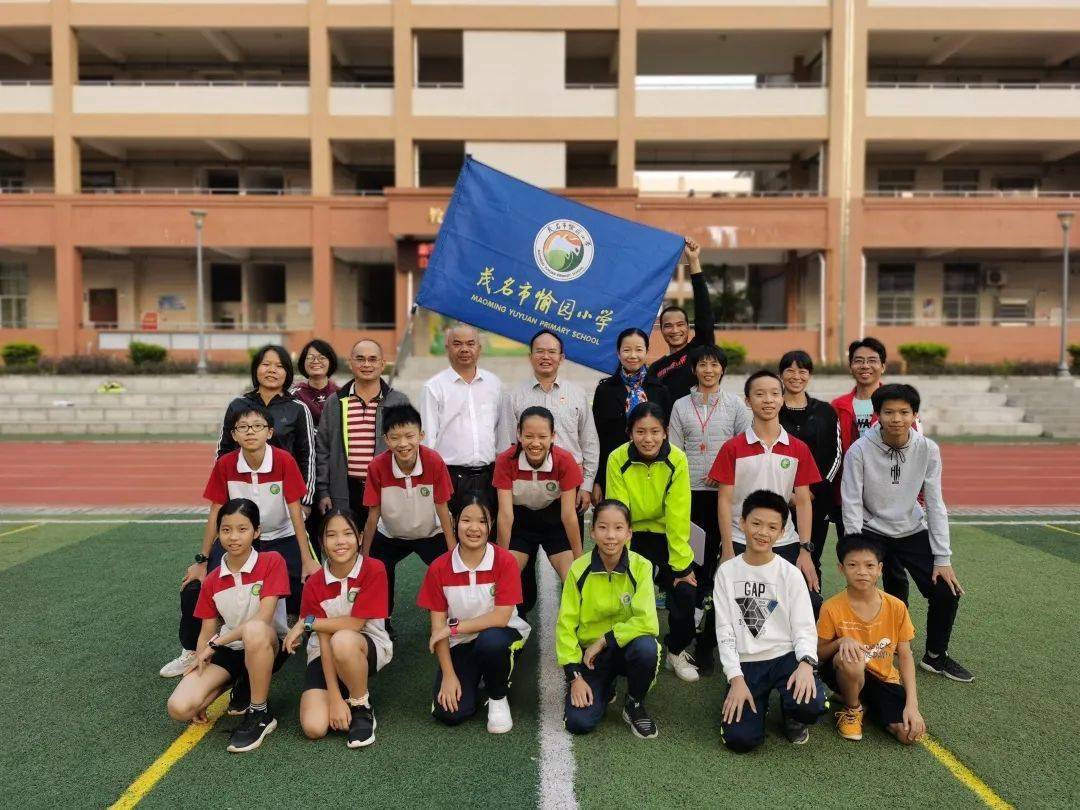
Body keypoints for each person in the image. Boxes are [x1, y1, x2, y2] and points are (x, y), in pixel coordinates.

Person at [160, 404, 317, 692]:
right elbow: (215, 512)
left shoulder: (283, 460)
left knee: (310, 587)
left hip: (280, 538)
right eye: (243, 427)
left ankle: (304, 643)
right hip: (236, 542)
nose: (250, 432)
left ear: (269, 432)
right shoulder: (226, 465)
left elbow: (295, 511)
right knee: (195, 587)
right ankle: (192, 651)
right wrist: (203, 559)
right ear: (233, 435)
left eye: (257, 426)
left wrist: (306, 558)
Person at [841, 383, 972, 683]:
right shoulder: (859, 450)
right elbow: (850, 502)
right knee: (869, 593)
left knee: (946, 591)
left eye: (904, 412)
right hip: (872, 530)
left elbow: (935, 503)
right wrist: (854, 551)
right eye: (888, 412)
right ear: (877, 415)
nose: (896, 419)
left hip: (912, 529)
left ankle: (935, 657)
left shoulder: (928, 448)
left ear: (915, 414)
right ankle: (875, 652)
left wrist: (943, 558)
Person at [166, 498, 290, 754]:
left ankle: (260, 713)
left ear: (257, 531)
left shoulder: (272, 561)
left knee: (254, 631)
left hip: (266, 644)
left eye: (242, 529)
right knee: (179, 708)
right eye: (226, 529)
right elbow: (206, 632)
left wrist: (215, 644)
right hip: (229, 650)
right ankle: (235, 681)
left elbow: (263, 618)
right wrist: (200, 659)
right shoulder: (212, 579)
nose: (233, 537)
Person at [714, 490, 827, 752]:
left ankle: (793, 714)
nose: (763, 532)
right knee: (740, 741)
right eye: (756, 523)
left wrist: (806, 664)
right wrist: (735, 678)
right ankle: (757, 704)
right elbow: (725, 630)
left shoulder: (790, 573)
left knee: (812, 705)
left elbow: (804, 626)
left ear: (782, 532)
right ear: (742, 524)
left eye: (772, 527)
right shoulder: (727, 573)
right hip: (747, 662)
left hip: (784, 657)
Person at [497, 328, 598, 616]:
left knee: (575, 577)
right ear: (530, 357)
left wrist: (587, 484)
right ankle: (513, 626)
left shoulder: (577, 394)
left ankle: (580, 630)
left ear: (561, 357)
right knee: (517, 584)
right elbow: (506, 443)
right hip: (522, 504)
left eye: (552, 351)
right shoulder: (514, 396)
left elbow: (589, 441)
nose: (545, 356)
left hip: (564, 497)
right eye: (539, 351)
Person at [668, 344, 751, 674]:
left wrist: (724, 475)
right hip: (689, 494)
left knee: (723, 552)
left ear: (722, 369)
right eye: (702, 364)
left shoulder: (734, 405)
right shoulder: (680, 406)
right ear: (694, 369)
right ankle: (697, 607)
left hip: (724, 493)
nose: (708, 369)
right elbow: (674, 449)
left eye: (714, 364)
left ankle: (717, 620)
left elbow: (744, 446)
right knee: (695, 553)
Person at [417, 498, 531, 733]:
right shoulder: (439, 568)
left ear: (490, 526)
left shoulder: (504, 561)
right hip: (461, 643)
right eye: (466, 520)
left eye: (482, 521)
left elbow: (500, 618)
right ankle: (476, 677)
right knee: (450, 713)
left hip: (501, 635)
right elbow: (438, 629)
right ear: (455, 523)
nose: (474, 528)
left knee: (491, 642)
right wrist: (449, 675)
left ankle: (497, 696)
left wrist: (454, 628)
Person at [283, 509, 393, 748]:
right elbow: (323, 637)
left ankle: (361, 704)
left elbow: (355, 624)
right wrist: (333, 697)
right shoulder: (314, 582)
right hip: (325, 654)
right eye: (332, 535)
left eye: (347, 534)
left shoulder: (374, 569)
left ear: (360, 537)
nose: (340, 541)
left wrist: (305, 622)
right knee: (314, 727)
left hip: (364, 646)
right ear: (322, 541)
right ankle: (343, 694)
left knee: (343, 639)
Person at [605, 402, 697, 682]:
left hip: (664, 534)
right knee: (624, 592)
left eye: (655, 431)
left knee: (686, 593)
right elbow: (618, 512)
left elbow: (678, 513)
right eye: (641, 431)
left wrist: (682, 567)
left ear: (666, 432)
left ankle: (676, 649)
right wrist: (621, 559)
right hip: (630, 535)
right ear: (630, 433)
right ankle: (621, 649)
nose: (648, 439)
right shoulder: (616, 458)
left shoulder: (677, 459)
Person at [710, 370, 821, 599]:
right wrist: (728, 549)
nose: (768, 400)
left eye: (774, 394)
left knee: (808, 604)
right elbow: (724, 500)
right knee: (739, 610)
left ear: (782, 399)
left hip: (785, 540)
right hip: (741, 541)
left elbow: (802, 501)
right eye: (760, 394)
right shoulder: (732, 448)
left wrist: (805, 550)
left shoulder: (798, 448)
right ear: (748, 401)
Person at [558, 499, 661, 739]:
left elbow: (648, 622)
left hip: (625, 648)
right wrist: (574, 676)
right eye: (603, 527)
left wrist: (605, 639)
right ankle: (604, 686)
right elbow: (566, 625)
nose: (611, 536)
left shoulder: (642, 567)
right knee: (579, 723)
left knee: (647, 648)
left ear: (629, 533)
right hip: (590, 657)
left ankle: (634, 703)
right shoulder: (578, 569)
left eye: (618, 528)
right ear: (592, 532)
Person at [817, 534, 926, 744]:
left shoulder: (896, 606)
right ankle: (853, 709)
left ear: (880, 569)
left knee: (908, 735)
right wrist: (841, 642)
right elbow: (819, 653)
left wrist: (912, 705)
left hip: (883, 679)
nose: (862, 572)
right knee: (852, 658)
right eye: (853, 565)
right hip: (842, 669)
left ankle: (860, 698)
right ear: (842, 569)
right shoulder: (831, 607)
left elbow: (904, 655)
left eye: (869, 565)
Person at [360, 404, 455, 617]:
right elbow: (373, 515)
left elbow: (442, 508)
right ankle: (382, 622)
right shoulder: (376, 466)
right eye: (395, 437)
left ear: (421, 435)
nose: (403, 444)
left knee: (449, 572)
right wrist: (364, 557)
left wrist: (452, 552)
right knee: (377, 572)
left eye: (409, 436)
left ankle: (450, 619)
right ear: (386, 440)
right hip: (390, 535)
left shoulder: (434, 461)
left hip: (431, 533)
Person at [316, 339, 409, 519]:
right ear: (350, 363)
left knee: (381, 544)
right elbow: (323, 450)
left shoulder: (398, 402)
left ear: (383, 365)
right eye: (360, 359)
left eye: (373, 359)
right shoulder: (335, 402)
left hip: (386, 489)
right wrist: (323, 491)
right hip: (344, 490)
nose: (366, 364)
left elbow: (409, 449)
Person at [495, 406, 584, 587]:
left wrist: (580, 561)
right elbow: (505, 515)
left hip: (554, 522)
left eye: (542, 437)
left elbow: (568, 516)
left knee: (573, 580)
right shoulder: (505, 461)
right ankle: (513, 615)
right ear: (519, 434)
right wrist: (499, 563)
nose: (535, 443)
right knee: (507, 577)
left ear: (553, 436)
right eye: (529, 436)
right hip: (520, 523)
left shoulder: (565, 461)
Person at [218, 344, 316, 508]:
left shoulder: (298, 409)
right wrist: (223, 493)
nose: (272, 370)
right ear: (256, 369)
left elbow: (307, 457)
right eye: (265, 364)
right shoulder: (237, 405)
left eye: (279, 366)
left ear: (287, 373)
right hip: (242, 490)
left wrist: (305, 501)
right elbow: (224, 451)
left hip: (284, 493)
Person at [419, 323, 502, 514]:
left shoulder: (494, 384)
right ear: (447, 348)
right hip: (449, 476)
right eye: (457, 344)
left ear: (479, 348)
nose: (464, 349)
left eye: (470, 343)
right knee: (450, 533)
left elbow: (499, 431)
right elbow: (428, 439)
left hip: (488, 475)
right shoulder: (433, 387)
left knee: (485, 533)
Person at [778, 350, 842, 578]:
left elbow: (835, 457)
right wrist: (786, 495)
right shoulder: (772, 409)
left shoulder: (825, 411)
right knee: (777, 558)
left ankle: (810, 607)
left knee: (810, 558)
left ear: (810, 375)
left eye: (802, 371)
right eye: (790, 370)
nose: (796, 376)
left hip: (817, 500)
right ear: (781, 374)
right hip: (778, 499)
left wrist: (812, 492)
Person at [592, 327, 672, 500]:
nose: (633, 355)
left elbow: (667, 435)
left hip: (653, 471)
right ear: (618, 353)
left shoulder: (660, 390)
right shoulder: (605, 390)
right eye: (627, 350)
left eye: (638, 349)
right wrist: (596, 480)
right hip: (614, 471)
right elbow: (596, 437)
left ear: (647, 351)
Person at [649, 238, 716, 401]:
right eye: (668, 326)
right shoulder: (655, 370)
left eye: (680, 325)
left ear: (688, 327)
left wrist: (693, 261)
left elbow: (704, 312)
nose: (675, 330)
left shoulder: (699, 350)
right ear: (661, 329)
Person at [291, 339, 341, 426]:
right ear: (303, 362)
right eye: (310, 357)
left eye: (322, 357)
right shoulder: (295, 395)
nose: (316, 361)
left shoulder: (341, 394)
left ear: (331, 362)